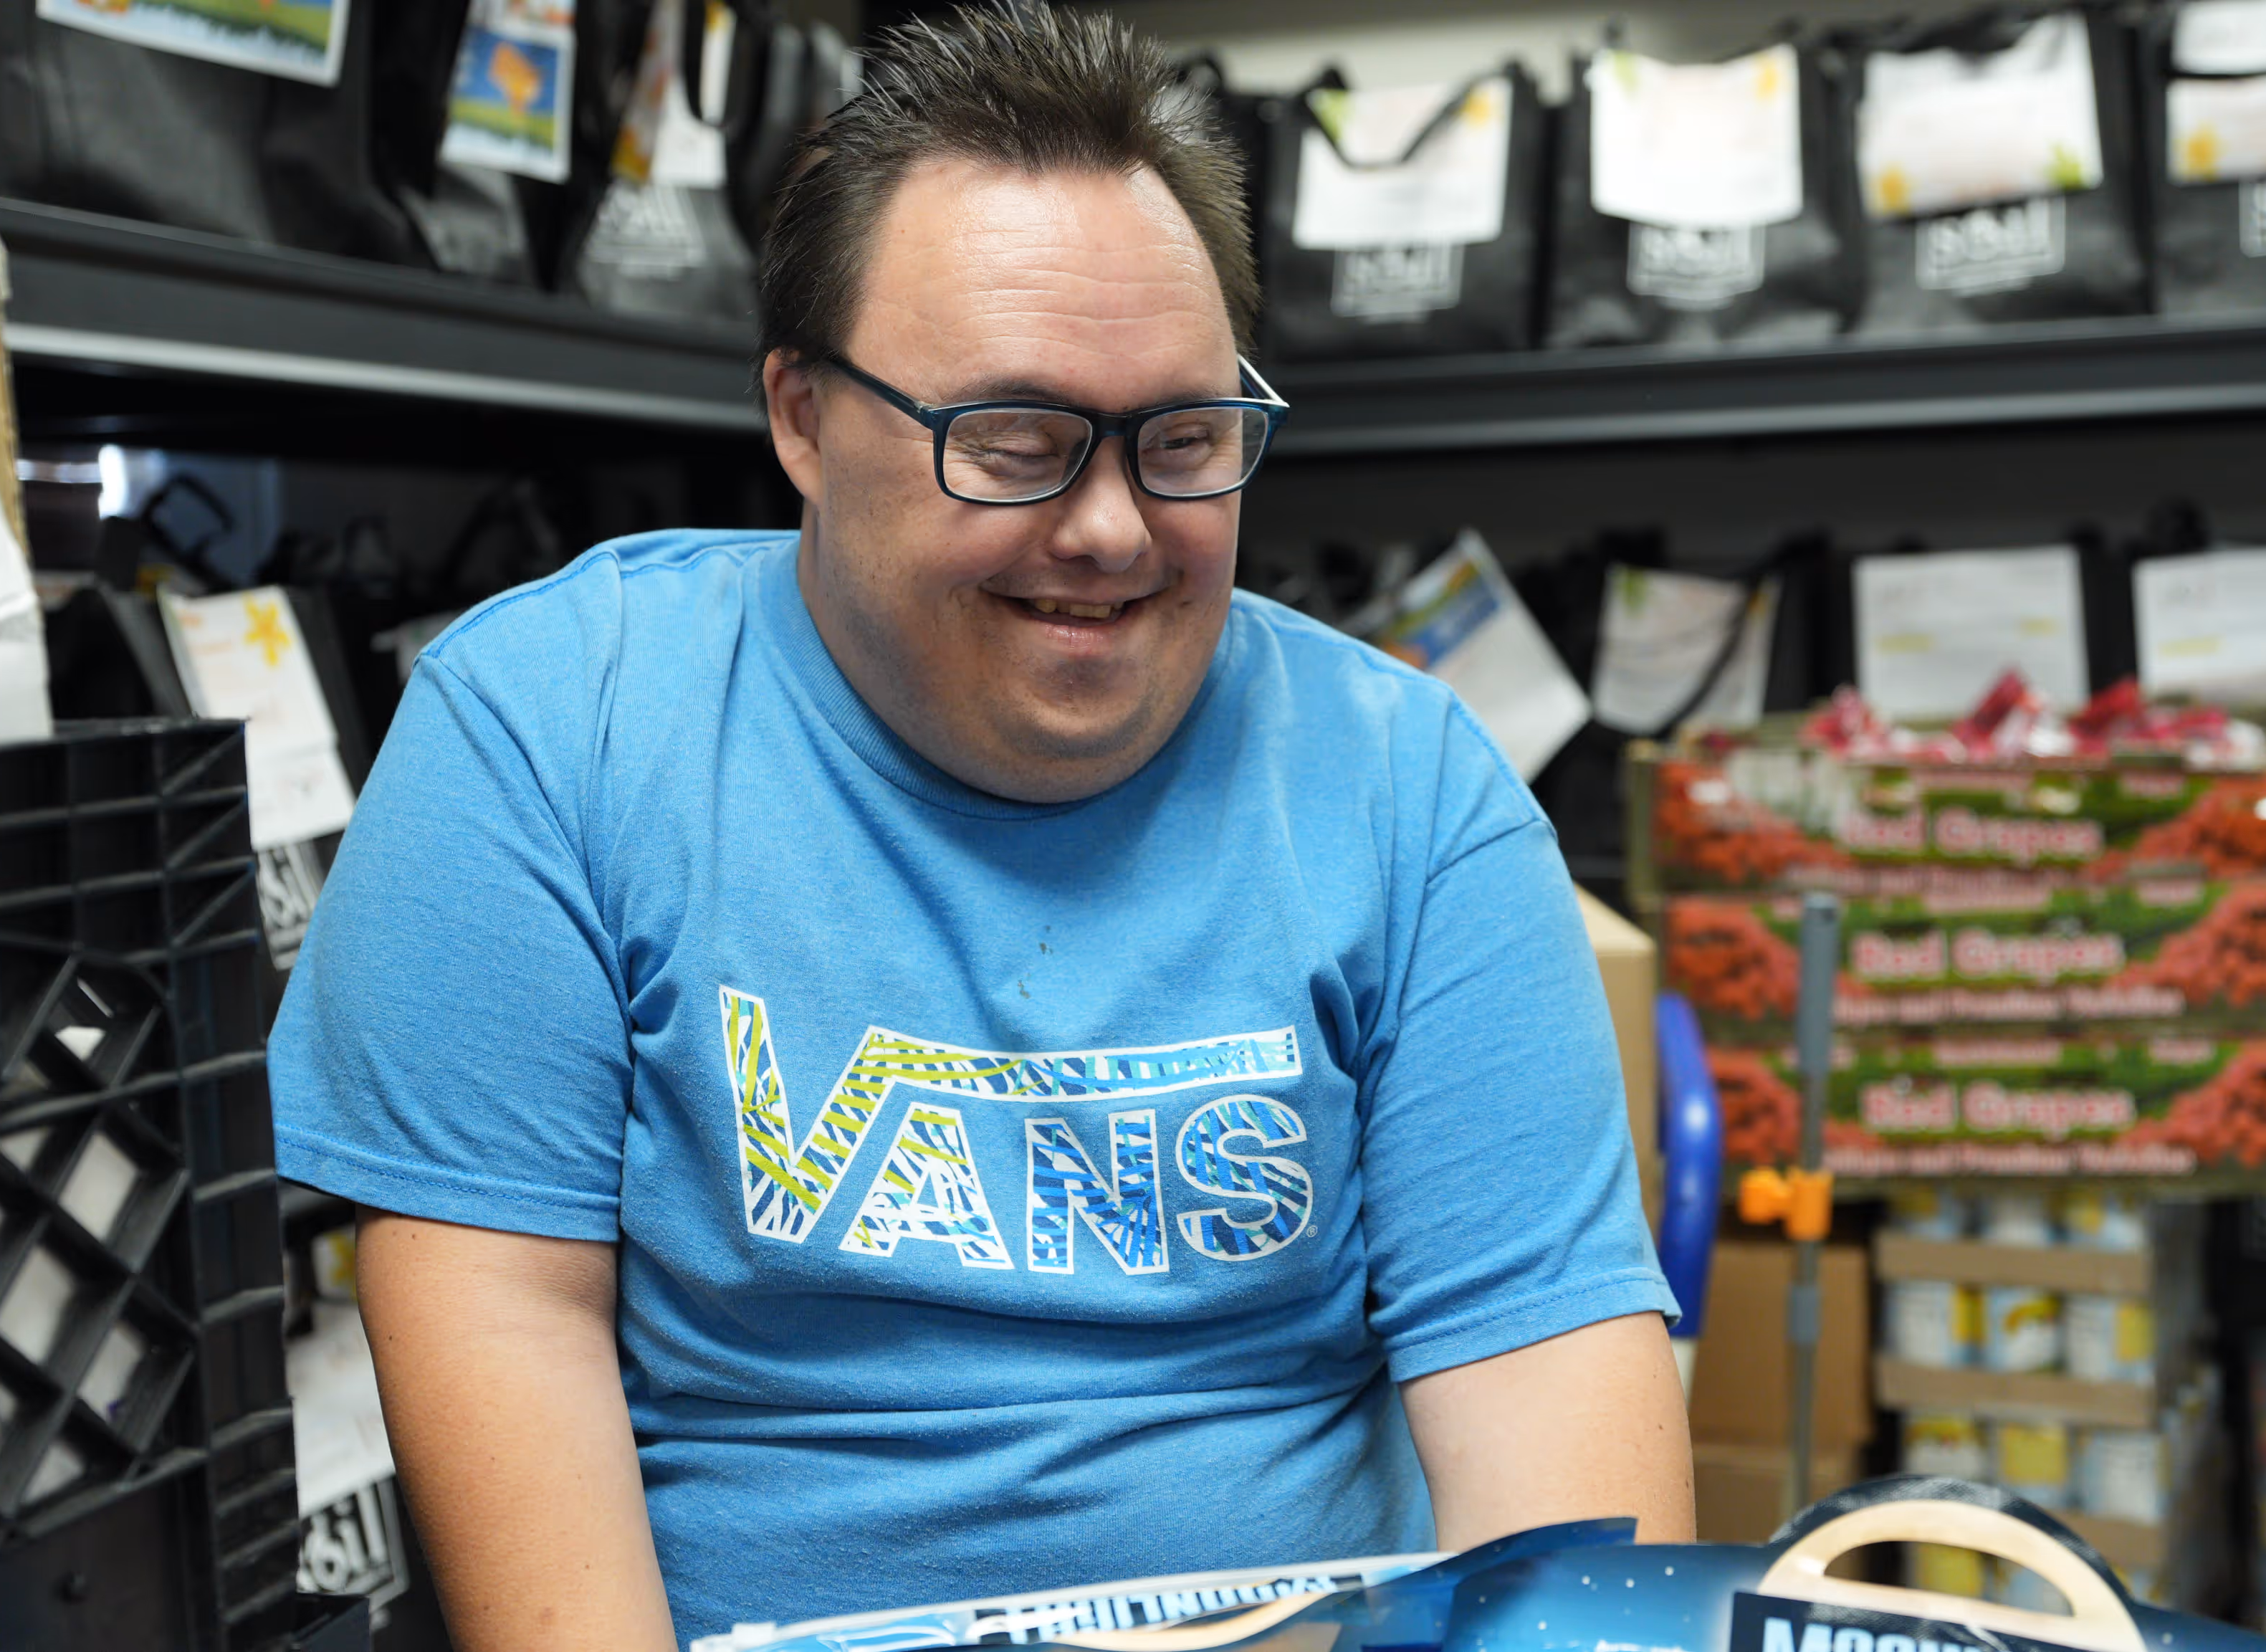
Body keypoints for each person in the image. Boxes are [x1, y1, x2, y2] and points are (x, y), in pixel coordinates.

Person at [269, 6, 1690, 1650]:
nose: (1105, 528)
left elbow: (1543, 1396)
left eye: (1180, 441)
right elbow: (497, 1320)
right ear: (801, 420)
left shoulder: (1411, 789)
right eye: (1010, 442)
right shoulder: (548, 726)